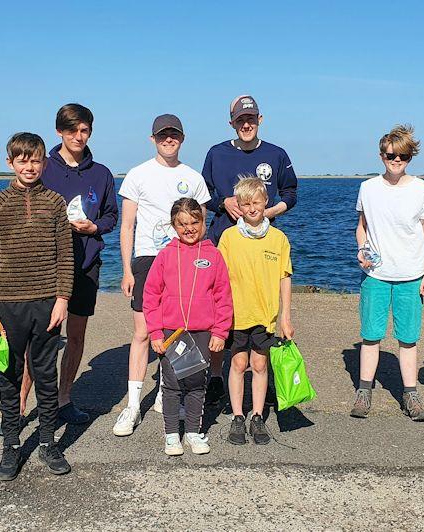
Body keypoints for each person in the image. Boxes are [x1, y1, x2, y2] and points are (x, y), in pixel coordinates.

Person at [18, 103, 118, 424]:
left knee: (75, 337)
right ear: (59, 131)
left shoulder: (101, 174)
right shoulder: (44, 167)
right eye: (72, 130)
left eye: (84, 130)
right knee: (41, 339)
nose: (79, 136)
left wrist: (95, 227)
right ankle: (20, 407)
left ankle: (63, 400)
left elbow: (111, 216)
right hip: (46, 268)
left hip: (86, 266)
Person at [0, 133, 74, 480]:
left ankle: (49, 442)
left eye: (35, 160)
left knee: (46, 374)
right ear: (11, 163)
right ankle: (10, 445)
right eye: (22, 160)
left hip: (47, 303)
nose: (29, 166)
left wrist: (62, 299)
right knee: (8, 373)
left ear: (43, 163)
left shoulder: (54, 202)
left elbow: (66, 255)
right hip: (7, 304)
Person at [114, 114, 211, 437]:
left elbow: (200, 227)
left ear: (182, 138)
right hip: (147, 259)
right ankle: (132, 405)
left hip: (183, 262)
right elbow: (127, 226)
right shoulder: (138, 175)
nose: (169, 139)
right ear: (153, 138)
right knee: (143, 333)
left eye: (174, 135)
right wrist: (127, 269)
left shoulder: (193, 178)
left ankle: (165, 393)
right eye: (163, 135)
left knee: (178, 329)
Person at [201, 95, 298, 405]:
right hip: (223, 241)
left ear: (260, 120)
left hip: (261, 244)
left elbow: (291, 193)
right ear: (231, 122)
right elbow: (204, 193)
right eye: (241, 119)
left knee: (259, 309)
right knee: (222, 314)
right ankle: (216, 376)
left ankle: (261, 376)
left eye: (251, 119)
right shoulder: (217, 153)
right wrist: (223, 202)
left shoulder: (277, 154)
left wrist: (268, 213)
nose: (246, 124)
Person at [351, 124, 424, 422]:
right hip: (375, 275)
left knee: (408, 339)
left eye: (403, 156)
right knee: (371, 336)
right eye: (390, 155)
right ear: (381, 155)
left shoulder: (423, 189)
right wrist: (362, 250)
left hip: (411, 275)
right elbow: (362, 227)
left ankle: (410, 393)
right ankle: (364, 391)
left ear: (410, 156)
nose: (396, 160)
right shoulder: (368, 188)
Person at [143, 198, 233, 455]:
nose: (189, 228)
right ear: (174, 225)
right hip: (172, 333)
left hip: (203, 332)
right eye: (182, 224)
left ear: (204, 222)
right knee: (171, 385)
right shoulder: (165, 255)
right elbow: (151, 296)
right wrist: (156, 332)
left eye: (195, 222)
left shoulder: (214, 255)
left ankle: (193, 432)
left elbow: (223, 297)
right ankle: (172, 435)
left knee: (196, 383)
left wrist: (220, 332)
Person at [218, 177, 294, 445]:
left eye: (257, 203)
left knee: (260, 364)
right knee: (238, 363)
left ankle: (258, 415)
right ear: (238, 205)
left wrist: (285, 316)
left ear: (266, 203)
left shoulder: (278, 239)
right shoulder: (228, 237)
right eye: (246, 204)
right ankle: (238, 416)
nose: (252, 209)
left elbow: (285, 277)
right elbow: (219, 279)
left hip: (266, 314)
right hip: (237, 314)